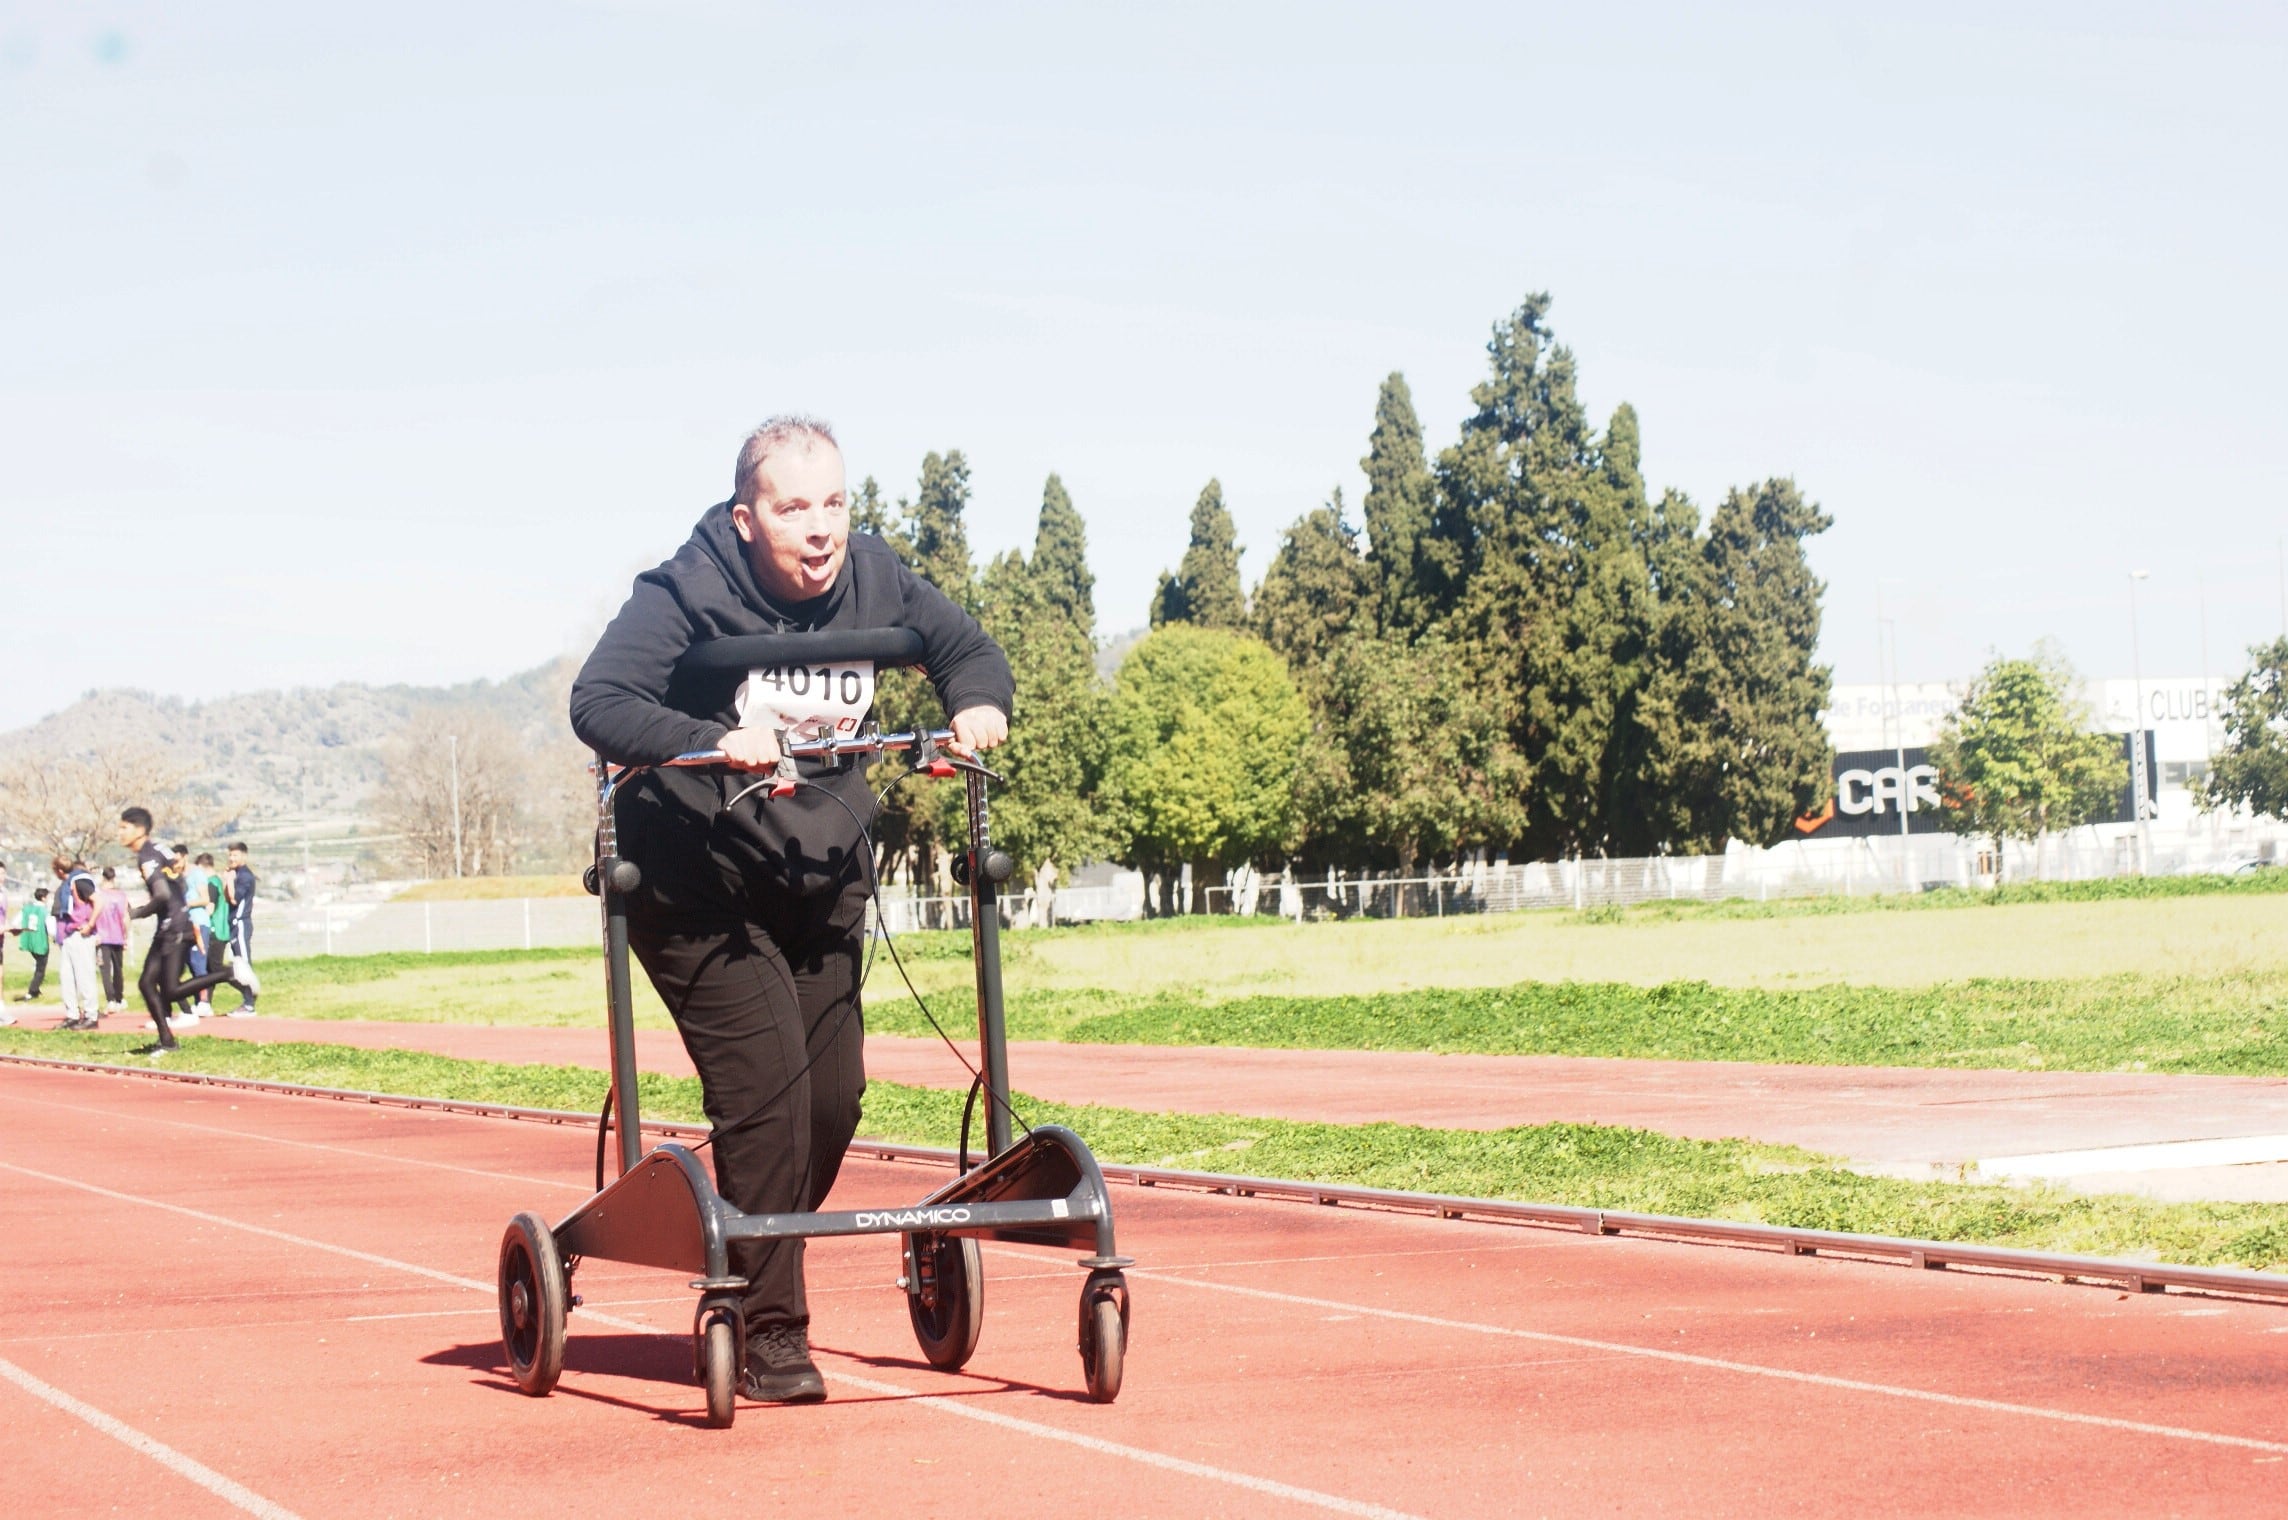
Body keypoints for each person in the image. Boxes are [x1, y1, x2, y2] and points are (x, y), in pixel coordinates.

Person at [569, 415, 1011, 1405]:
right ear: (745, 518)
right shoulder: (686, 588)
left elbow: (966, 651)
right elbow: (597, 700)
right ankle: (765, 1324)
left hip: (817, 882)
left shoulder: (875, 574)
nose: (819, 528)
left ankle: (739, 1243)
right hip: (693, 886)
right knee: (764, 1094)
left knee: (831, 1099)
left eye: (834, 502)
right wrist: (707, 734)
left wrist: (976, 703)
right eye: (791, 507)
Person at [119, 808, 244, 1052]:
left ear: (139, 830)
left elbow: (163, 893)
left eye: (124, 828)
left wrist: (137, 913)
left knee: (171, 990)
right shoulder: (159, 849)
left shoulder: (146, 856)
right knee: (146, 984)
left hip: (174, 926)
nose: (120, 833)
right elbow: (178, 882)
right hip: (171, 923)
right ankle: (166, 1040)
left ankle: (228, 973)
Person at [52, 858, 100, 1030]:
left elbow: (99, 902)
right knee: (67, 976)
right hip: (68, 935)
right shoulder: (67, 883)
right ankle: (72, 1014)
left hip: (80, 933)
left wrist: (90, 925)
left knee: (84, 976)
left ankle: (91, 1015)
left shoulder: (79, 880)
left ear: (59, 870)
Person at [223, 842, 260, 1016]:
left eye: (235, 855)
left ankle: (249, 1003)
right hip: (233, 924)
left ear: (243, 856)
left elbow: (234, 899)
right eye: (230, 855)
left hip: (241, 923)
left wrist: (229, 881)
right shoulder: (235, 874)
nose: (231, 858)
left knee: (243, 962)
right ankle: (248, 1000)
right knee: (237, 963)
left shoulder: (244, 876)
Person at [93, 867, 130, 1015]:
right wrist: (125, 935)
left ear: (103, 877)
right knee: (118, 969)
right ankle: (119, 998)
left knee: (105, 970)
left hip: (102, 937)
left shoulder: (98, 895)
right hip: (118, 937)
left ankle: (111, 1000)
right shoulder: (122, 895)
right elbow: (125, 917)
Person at [10, 887, 52, 1001]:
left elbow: (15, 922)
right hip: (40, 942)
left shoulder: (27, 908)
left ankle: (36, 990)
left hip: (29, 941)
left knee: (38, 965)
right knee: (41, 969)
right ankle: (32, 992)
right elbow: (51, 927)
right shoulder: (44, 910)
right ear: (43, 898)